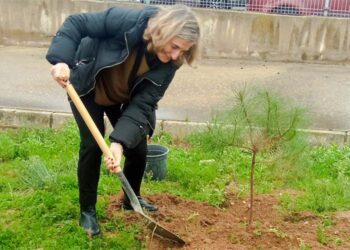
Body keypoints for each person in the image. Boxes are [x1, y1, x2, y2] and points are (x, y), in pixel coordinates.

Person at [47, 4, 201, 236]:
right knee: (91, 145)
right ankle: (87, 210)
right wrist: (61, 60)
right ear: (163, 31)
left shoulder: (171, 63)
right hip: (89, 85)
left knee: (137, 146)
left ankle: (131, 199)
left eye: (184, 51)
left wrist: (118, 144)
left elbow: (143, 105)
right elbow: (77, 23)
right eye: (175, 46)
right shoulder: (128, 21)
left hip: (123, 96)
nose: (177, 55)